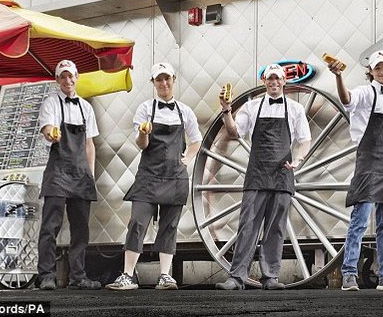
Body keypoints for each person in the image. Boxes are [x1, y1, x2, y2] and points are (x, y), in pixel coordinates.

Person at [107, 62, 202, 291]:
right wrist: (143, 133)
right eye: (159, 79)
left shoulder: (185, 111)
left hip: (175, 177)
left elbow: (196, 140)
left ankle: (165, 276)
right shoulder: (145, 109)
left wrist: (188, 158)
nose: (164, 83)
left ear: (173, 80)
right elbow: (142, 145)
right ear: (153, 83)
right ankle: (128, 276)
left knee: (169, 226)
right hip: (149, 175)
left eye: (167, 78)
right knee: (137, 222)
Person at [215, 63, 311, 290]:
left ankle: (271, 277)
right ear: (264, 82)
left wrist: (298, 160)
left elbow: (304, 140)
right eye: (270, 79)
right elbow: (234, 132)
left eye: (278, 79)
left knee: (276, 227)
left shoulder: (296, 109)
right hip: (257, 174)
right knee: (247, 225)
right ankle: (237, 277)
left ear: (284, 81)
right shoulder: (252, 107)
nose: (274, 83)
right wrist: (227, 110)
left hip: (283, 173)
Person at [328, 50, 383, 292]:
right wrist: (339, 77)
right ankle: (349, 275)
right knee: (359, 222)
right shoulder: (366, 92)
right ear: (371, 71)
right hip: (367, 165)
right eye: (378, 67)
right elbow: (347, 99)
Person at [36, 59, 102, 291]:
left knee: (81, 229)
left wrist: (90, 175)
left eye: (71, 75)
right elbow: (47, 129)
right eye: (63, 76)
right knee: (50, 227)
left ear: (77, 77)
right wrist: (51, 134)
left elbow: (89, 144)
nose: (67, 80)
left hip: (82, 175)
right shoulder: (51, 103)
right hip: (58, 172)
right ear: (57, 80)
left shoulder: (86, 107)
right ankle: (46, 276)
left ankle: (78, 277)